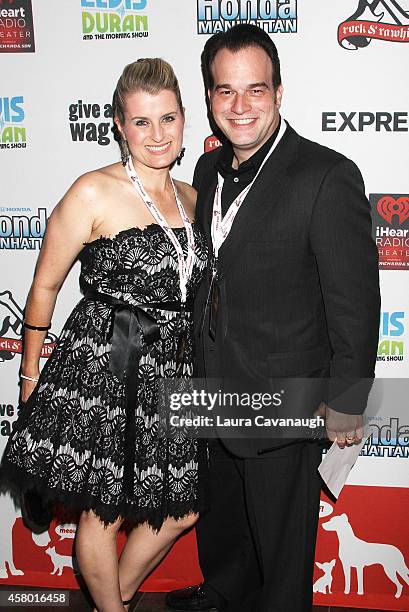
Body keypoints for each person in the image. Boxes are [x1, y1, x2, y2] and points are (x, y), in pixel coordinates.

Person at [166, 24, 380, 612]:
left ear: (280, 93)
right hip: (215, 391)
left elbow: (356, 305)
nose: (239, 107)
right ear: (208, 97)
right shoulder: (207, 174)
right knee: (227, 529)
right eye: (225, 91)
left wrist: (347, 400)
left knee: (283, 561)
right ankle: (225, 593)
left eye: (255, 90)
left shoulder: (325, 175)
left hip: (287, 401)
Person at [0, 58, 209, 612]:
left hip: (170, 371)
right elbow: (43, 290)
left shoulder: (193, 199)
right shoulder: (92, 191)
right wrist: (29, 378)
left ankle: (110, 598)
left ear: (186, 119)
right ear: (119, 124)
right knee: (104, 510)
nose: (157, 135)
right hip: (105, 365)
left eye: (168, 119)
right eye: (142, 122)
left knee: (183, 508)